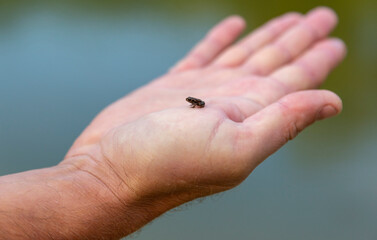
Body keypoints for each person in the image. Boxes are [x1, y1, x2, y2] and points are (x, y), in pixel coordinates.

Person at [0, 6, 346, 239]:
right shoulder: (191, 103)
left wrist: (97, 181)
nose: (191, 103)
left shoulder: (197, 102)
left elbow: (198, 104)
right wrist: (100, 181)